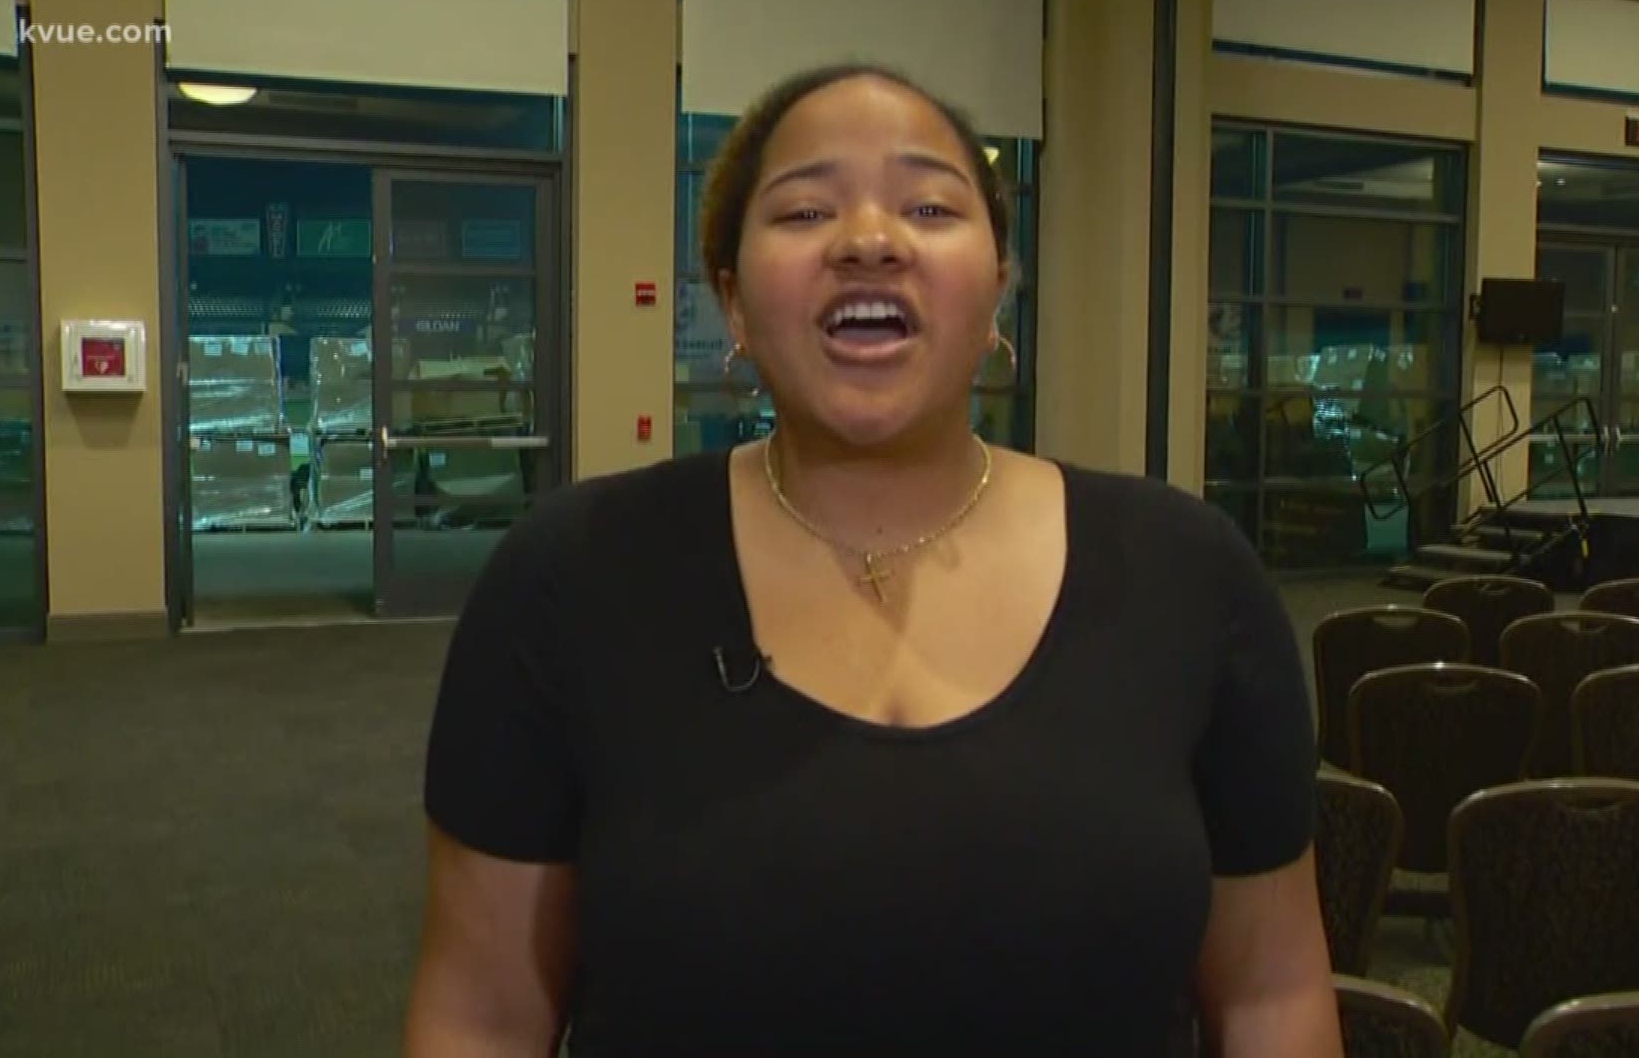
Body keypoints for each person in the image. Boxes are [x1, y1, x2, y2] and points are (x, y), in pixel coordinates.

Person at [403, 63, 1339, 1057]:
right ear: (732, 302)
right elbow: (485, 1012)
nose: (868, 240)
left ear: (998, 291)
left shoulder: (1188, 576)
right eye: (804, 211)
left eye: (930, 204)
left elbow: (1272, 995)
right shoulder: (572, 575)